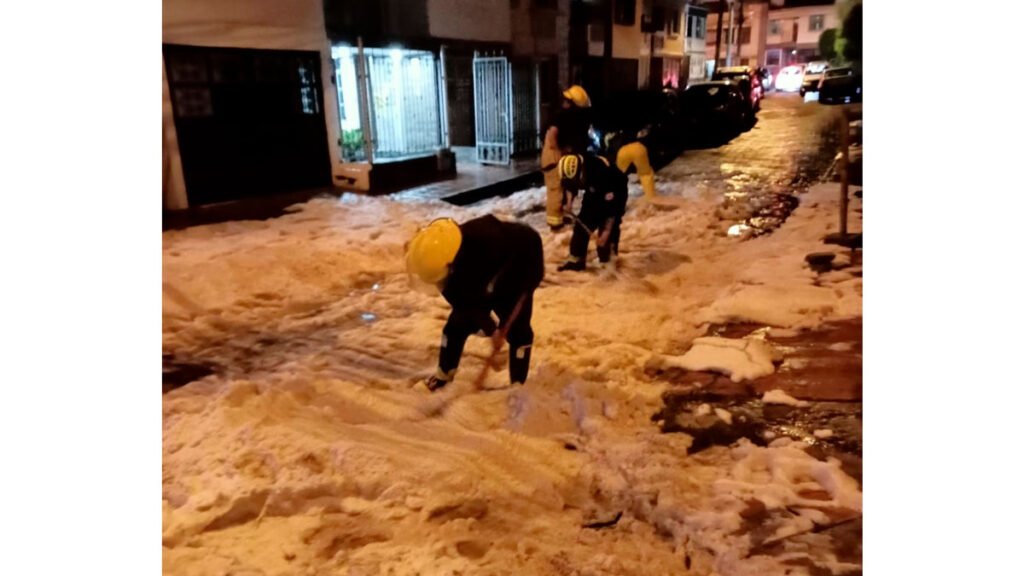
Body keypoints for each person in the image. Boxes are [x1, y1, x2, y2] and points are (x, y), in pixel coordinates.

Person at [405, 216, 544, 391]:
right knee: (455, 327)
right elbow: (466, 304)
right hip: (482, 277)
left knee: (518, 331)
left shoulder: (489, 240)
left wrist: (528, 284)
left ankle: (518, 387)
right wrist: (491, 330)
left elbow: (475, 298)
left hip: (520, 267)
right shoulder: (443, 257)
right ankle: (443, 376)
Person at [556, 153, 628, 272]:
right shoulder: (575, 168)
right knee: (582, 226)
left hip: (615, 192)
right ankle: (576, 262)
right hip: (593, 191)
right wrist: (568, 202)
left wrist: (606, 232)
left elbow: (612, 210)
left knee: (606, 234)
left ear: (581, 171)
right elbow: (568, 185)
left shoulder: (602, 174)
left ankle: (608, 263)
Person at [542, 85, 593, 231]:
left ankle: (561, 215)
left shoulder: (566, 116)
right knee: (555, 189)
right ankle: (555, 223)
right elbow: (552, 138)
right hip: (553, 155)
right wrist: (561, 151)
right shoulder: (558, 116)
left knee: (563, 186)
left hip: (560, 153)